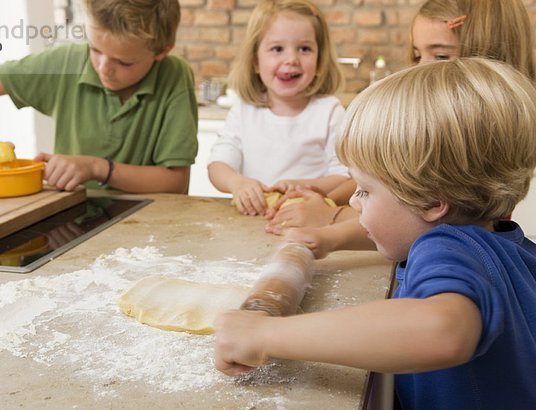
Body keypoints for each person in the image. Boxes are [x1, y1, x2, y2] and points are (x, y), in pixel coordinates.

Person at [214, 57, 536, 409]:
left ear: (431, 201)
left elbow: (443, 331)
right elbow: (408, 228)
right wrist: (332, 239)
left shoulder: (446, 247)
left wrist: (265, 335)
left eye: (366, 190)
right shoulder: (504, 243)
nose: (353, 200)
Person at [265, 0, 536, 235]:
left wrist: (330, 222)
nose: (421, 68)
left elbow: (420, 223)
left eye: (440, 55)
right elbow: (387, 177)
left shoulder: (475, 138)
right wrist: (325, 198)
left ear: (486, 56)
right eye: (418, 55)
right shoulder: (435, 119)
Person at [0, 0, 198, 193]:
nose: (103, 67)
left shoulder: (174, 75)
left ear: (162, 52)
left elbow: (175, 183)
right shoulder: (66, 62)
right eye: (95, 49)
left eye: (124, 62)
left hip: (149, 228)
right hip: (72, 221)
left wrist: (96, 168)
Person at [207, 0, 350, 216]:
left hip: (308, 220)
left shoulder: (329, 112)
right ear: (255, 61)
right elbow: (218, 165)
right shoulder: (244, 111)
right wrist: (237, 183)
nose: (291, 59)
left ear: (320, 61)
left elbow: (345, 176)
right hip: (254, 222)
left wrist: (304, 186)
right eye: (277, 49)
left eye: (304, 49)